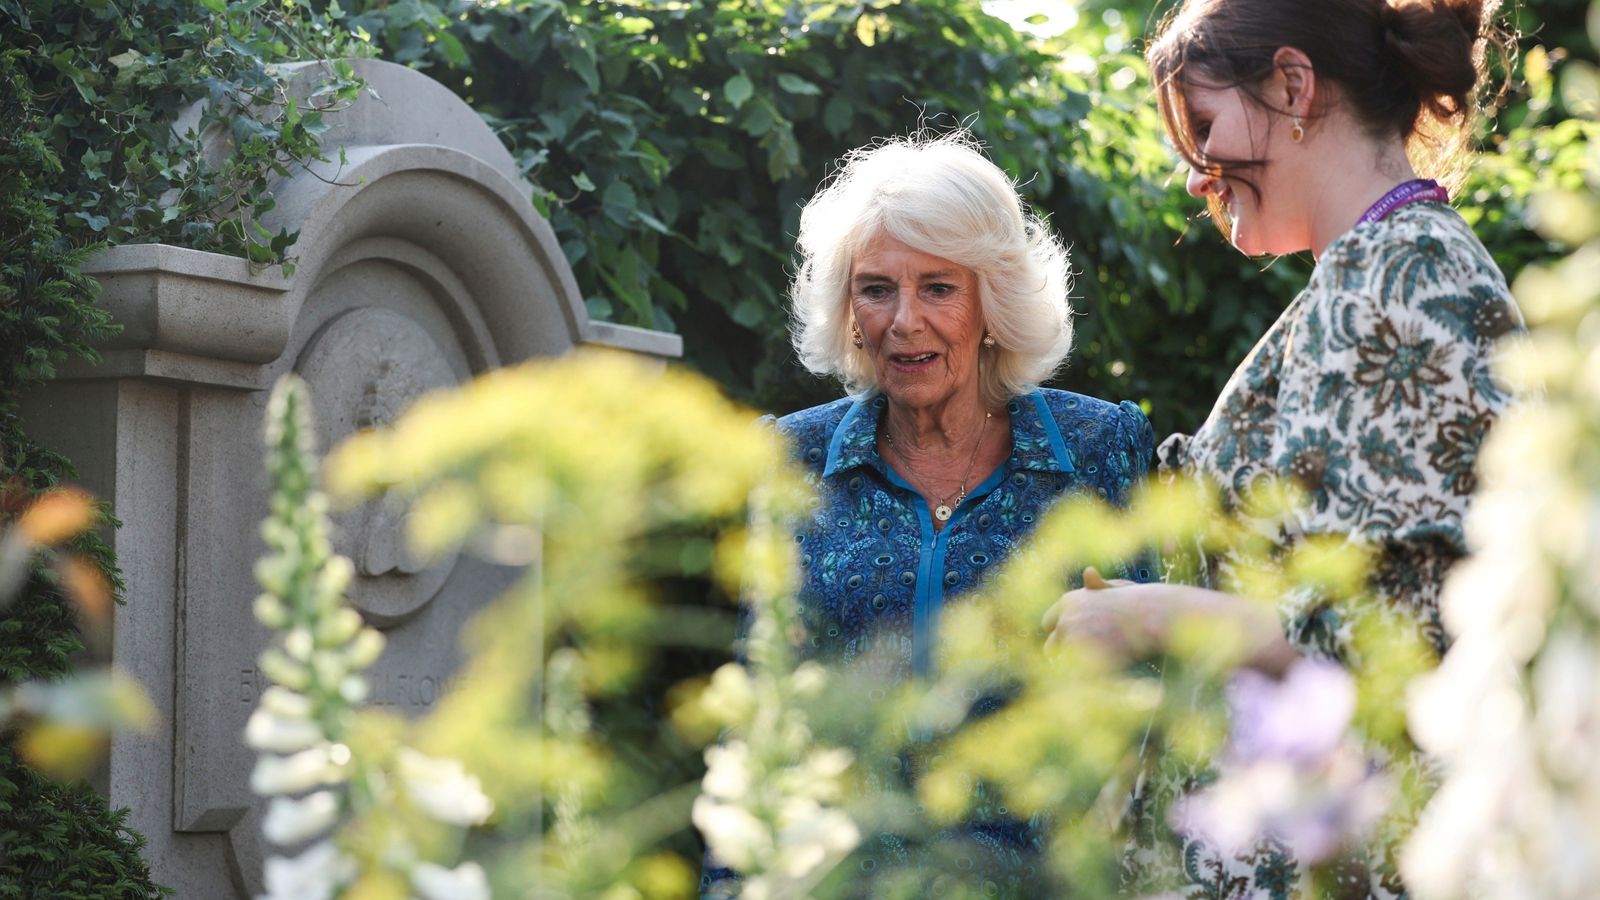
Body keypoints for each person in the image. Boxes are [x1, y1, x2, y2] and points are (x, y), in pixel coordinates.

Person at [1041, 0, 1521, 895]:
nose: (1197, 176)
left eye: (1208, 127)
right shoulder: (1375, 273)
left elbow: (1393, 649)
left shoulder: (1402, 282)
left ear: (1293, 85)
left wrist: (1155, 615)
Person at [703, 132, 1154, 895]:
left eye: (938, 288)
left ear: (993, 301)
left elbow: (1157, 703)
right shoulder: (793, 461)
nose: (904, 320)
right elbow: (760, 709)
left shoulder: (1098, 448)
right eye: (876, 289)